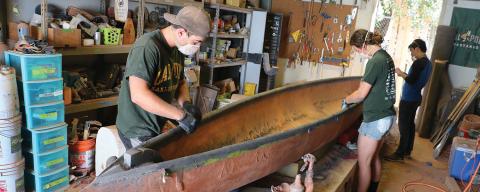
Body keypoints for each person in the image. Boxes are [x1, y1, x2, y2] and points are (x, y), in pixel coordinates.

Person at [116, 6, 210, 150]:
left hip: (157, 123)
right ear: (180, 32)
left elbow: (180, 82)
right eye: (196, 42)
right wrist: (181, 116)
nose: (197, 47)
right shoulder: (148, 47)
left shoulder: (177, 48)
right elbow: (138, 95)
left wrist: (186, 103)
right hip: (137, 129)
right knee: (153, 170)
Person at [342, 29, 396, 192]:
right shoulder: (386, 57)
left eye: (357, 50)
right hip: (387, 115)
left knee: (364, 162)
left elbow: (360, 94)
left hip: (376, 119)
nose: (358, 53)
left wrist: (345, 100)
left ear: (364, 45)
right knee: (373, 158)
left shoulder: (374, 61)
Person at [384, 39, 432, 161]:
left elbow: (411, 80)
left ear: (417, 48)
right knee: (410, 125)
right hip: (415, 97)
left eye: (412, 51)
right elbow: (414, 78)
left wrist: (400, 74)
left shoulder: (418, 63)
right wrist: (404, 74)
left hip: (409, 99)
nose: (411, 54)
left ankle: (399, 154)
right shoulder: (428, 63)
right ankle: (407, 151)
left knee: (403, 126)